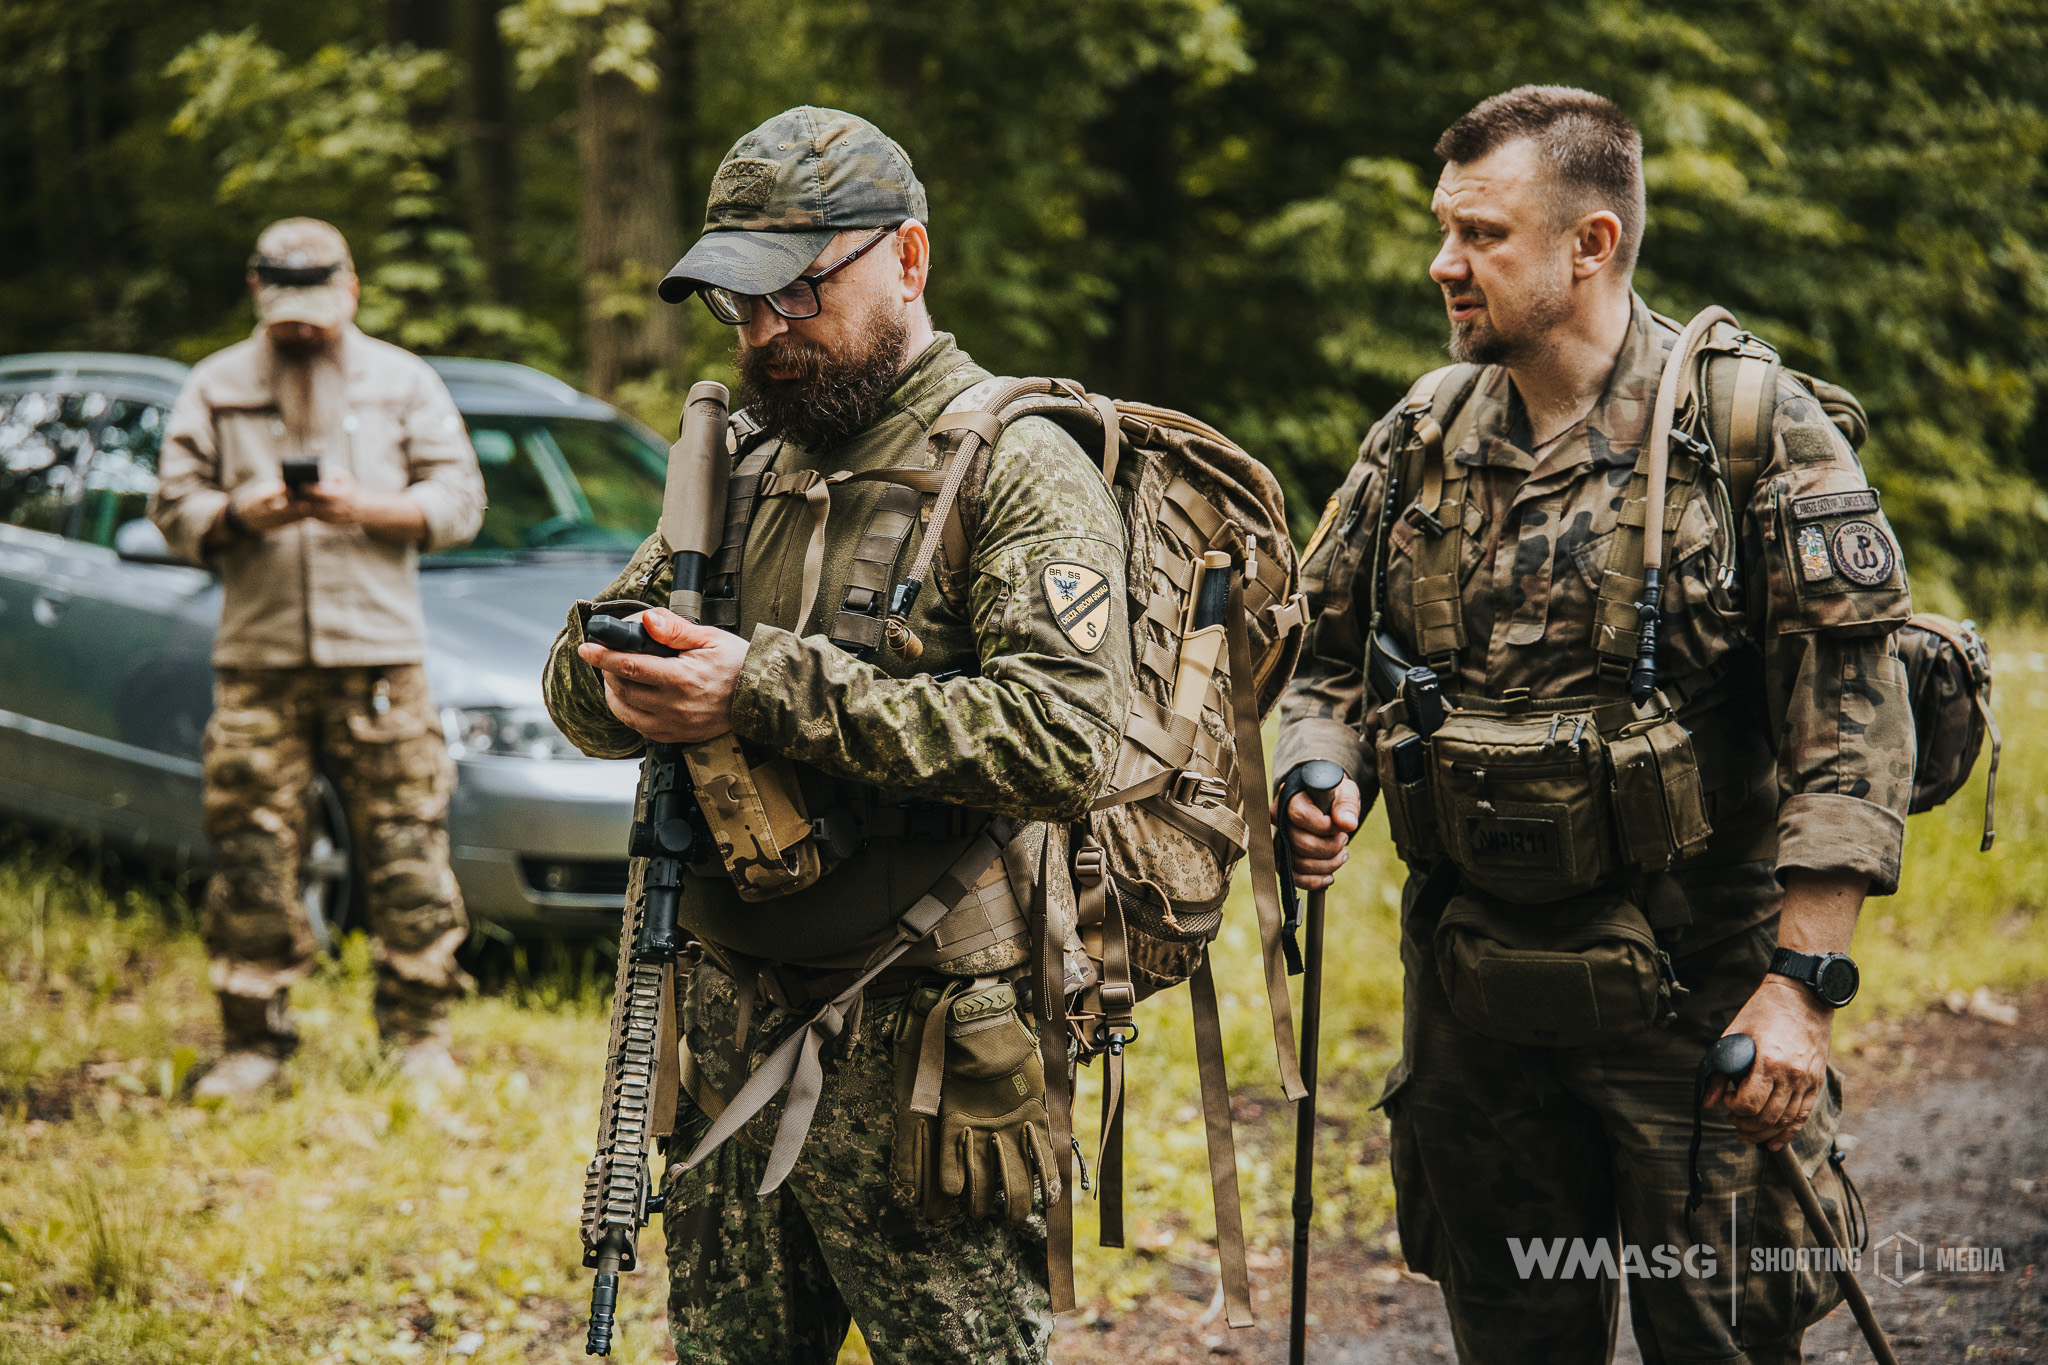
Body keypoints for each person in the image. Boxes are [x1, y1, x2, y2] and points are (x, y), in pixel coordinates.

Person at [1272, 87, 1914, 1363]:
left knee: (1717, 1339)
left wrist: (1798, 991)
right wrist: (1315, 768)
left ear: (1591, 243)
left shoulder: (1743, 430)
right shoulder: (1418, 437)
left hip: (1694, 999)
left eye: (1481, 235)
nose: (1442, 265)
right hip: (1472, 992)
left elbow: (1849, 730)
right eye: (1442, 231)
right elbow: (1319, 658)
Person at [542, 107, 1132, 1363]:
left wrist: (760, 690)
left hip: (921, 1045)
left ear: (907, 261)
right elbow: (573, 682)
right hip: (721, 1031)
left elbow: (1065, 739)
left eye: (797, 294)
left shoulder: (1018, 465)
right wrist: (621, 677)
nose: (766, 336)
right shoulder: (744, 461)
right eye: (738, 307)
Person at [151, 218, 487, 1099]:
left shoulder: (403, 380)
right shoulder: (215, 385)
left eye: (318, 309)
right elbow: (172, 506)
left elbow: (460, 501)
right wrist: (237, 513)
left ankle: (418, 1037)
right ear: (257, 291)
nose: (301, 326)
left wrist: (371, 508)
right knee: (252, 850)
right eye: (284, 309)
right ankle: (253, 1041)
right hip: (258, 660)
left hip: (380, 662)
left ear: (351, 290)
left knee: (408, 845)